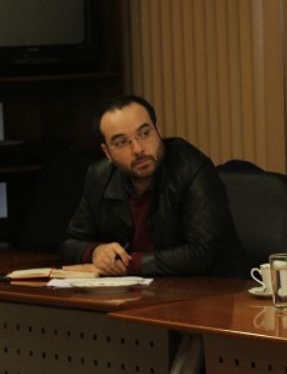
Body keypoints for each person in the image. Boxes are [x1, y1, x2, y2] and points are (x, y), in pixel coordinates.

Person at [60, 95, 246, 277]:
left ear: (158, 131)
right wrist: (96, 252)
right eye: (122, 142)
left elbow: (201, 253)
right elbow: (70, 242)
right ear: (107, 152)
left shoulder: (193, 169)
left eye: (144, 133)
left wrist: (126, 264)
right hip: (136, 294)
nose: (138, 149)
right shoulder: (99, 176)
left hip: (210, 293)